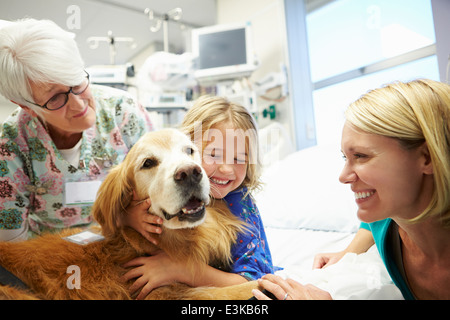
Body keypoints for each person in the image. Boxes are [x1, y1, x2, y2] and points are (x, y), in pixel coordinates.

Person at [253, 79, 450, 300]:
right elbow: (371, 222)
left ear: (427, 157)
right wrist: (349, 252)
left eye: (361, 156)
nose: (343, 177)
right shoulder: (386, 219)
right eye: (345, 157)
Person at [0, 18, 155, 241]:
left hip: (126, 242)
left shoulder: (123, 112)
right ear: (28, 107)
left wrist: (126, 218)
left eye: (77, 83)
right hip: (51, 253)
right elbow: (11, 240)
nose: (79, 105)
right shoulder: (13, 143)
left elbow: (162, 187)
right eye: (55, 98)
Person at [121, 95, 277, 299]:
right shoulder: (169, 187)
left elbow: (255, 284)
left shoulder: (241, 206)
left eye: (239, 159)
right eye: (213, 155)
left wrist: (182, 269)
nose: (226, 169)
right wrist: (128, 216)